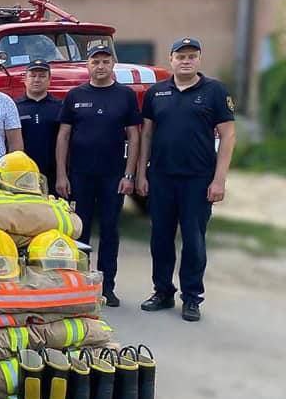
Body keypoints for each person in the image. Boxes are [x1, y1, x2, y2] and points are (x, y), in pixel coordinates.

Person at [136, 37, 236, 322]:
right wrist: (142, 173)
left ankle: (192, 298)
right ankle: (163, 291)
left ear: (199, 60)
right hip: (161, 177)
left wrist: (219, 180)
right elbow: (146, 135)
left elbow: (228, 135)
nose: (186, 61)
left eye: (192, 56)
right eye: (181, 56)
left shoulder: (214, 91)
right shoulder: (157, 93)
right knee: (161, 239)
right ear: (171, 60)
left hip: (198, 179)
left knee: (193, 240)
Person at [55, 45, 142, 308]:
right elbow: (64, 135)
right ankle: (80, 284)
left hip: (113, 176)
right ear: (88, 66)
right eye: (96, 61)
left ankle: (107, 286)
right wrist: (61, 174)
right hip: (80, 175)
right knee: (79, 231)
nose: (101, 66)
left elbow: (134, 136)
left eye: (106, 61)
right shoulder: (75, 96)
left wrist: (130, 174)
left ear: (113, 64)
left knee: (109, 231)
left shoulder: (125, 96)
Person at [15, 58, 63, 194]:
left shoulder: (60, 107)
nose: (37, 80)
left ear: (49, 80)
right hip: (23, 172)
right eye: (33, 75)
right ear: (25, 79)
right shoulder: (14, 107)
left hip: (53, 174)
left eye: (42, 76)